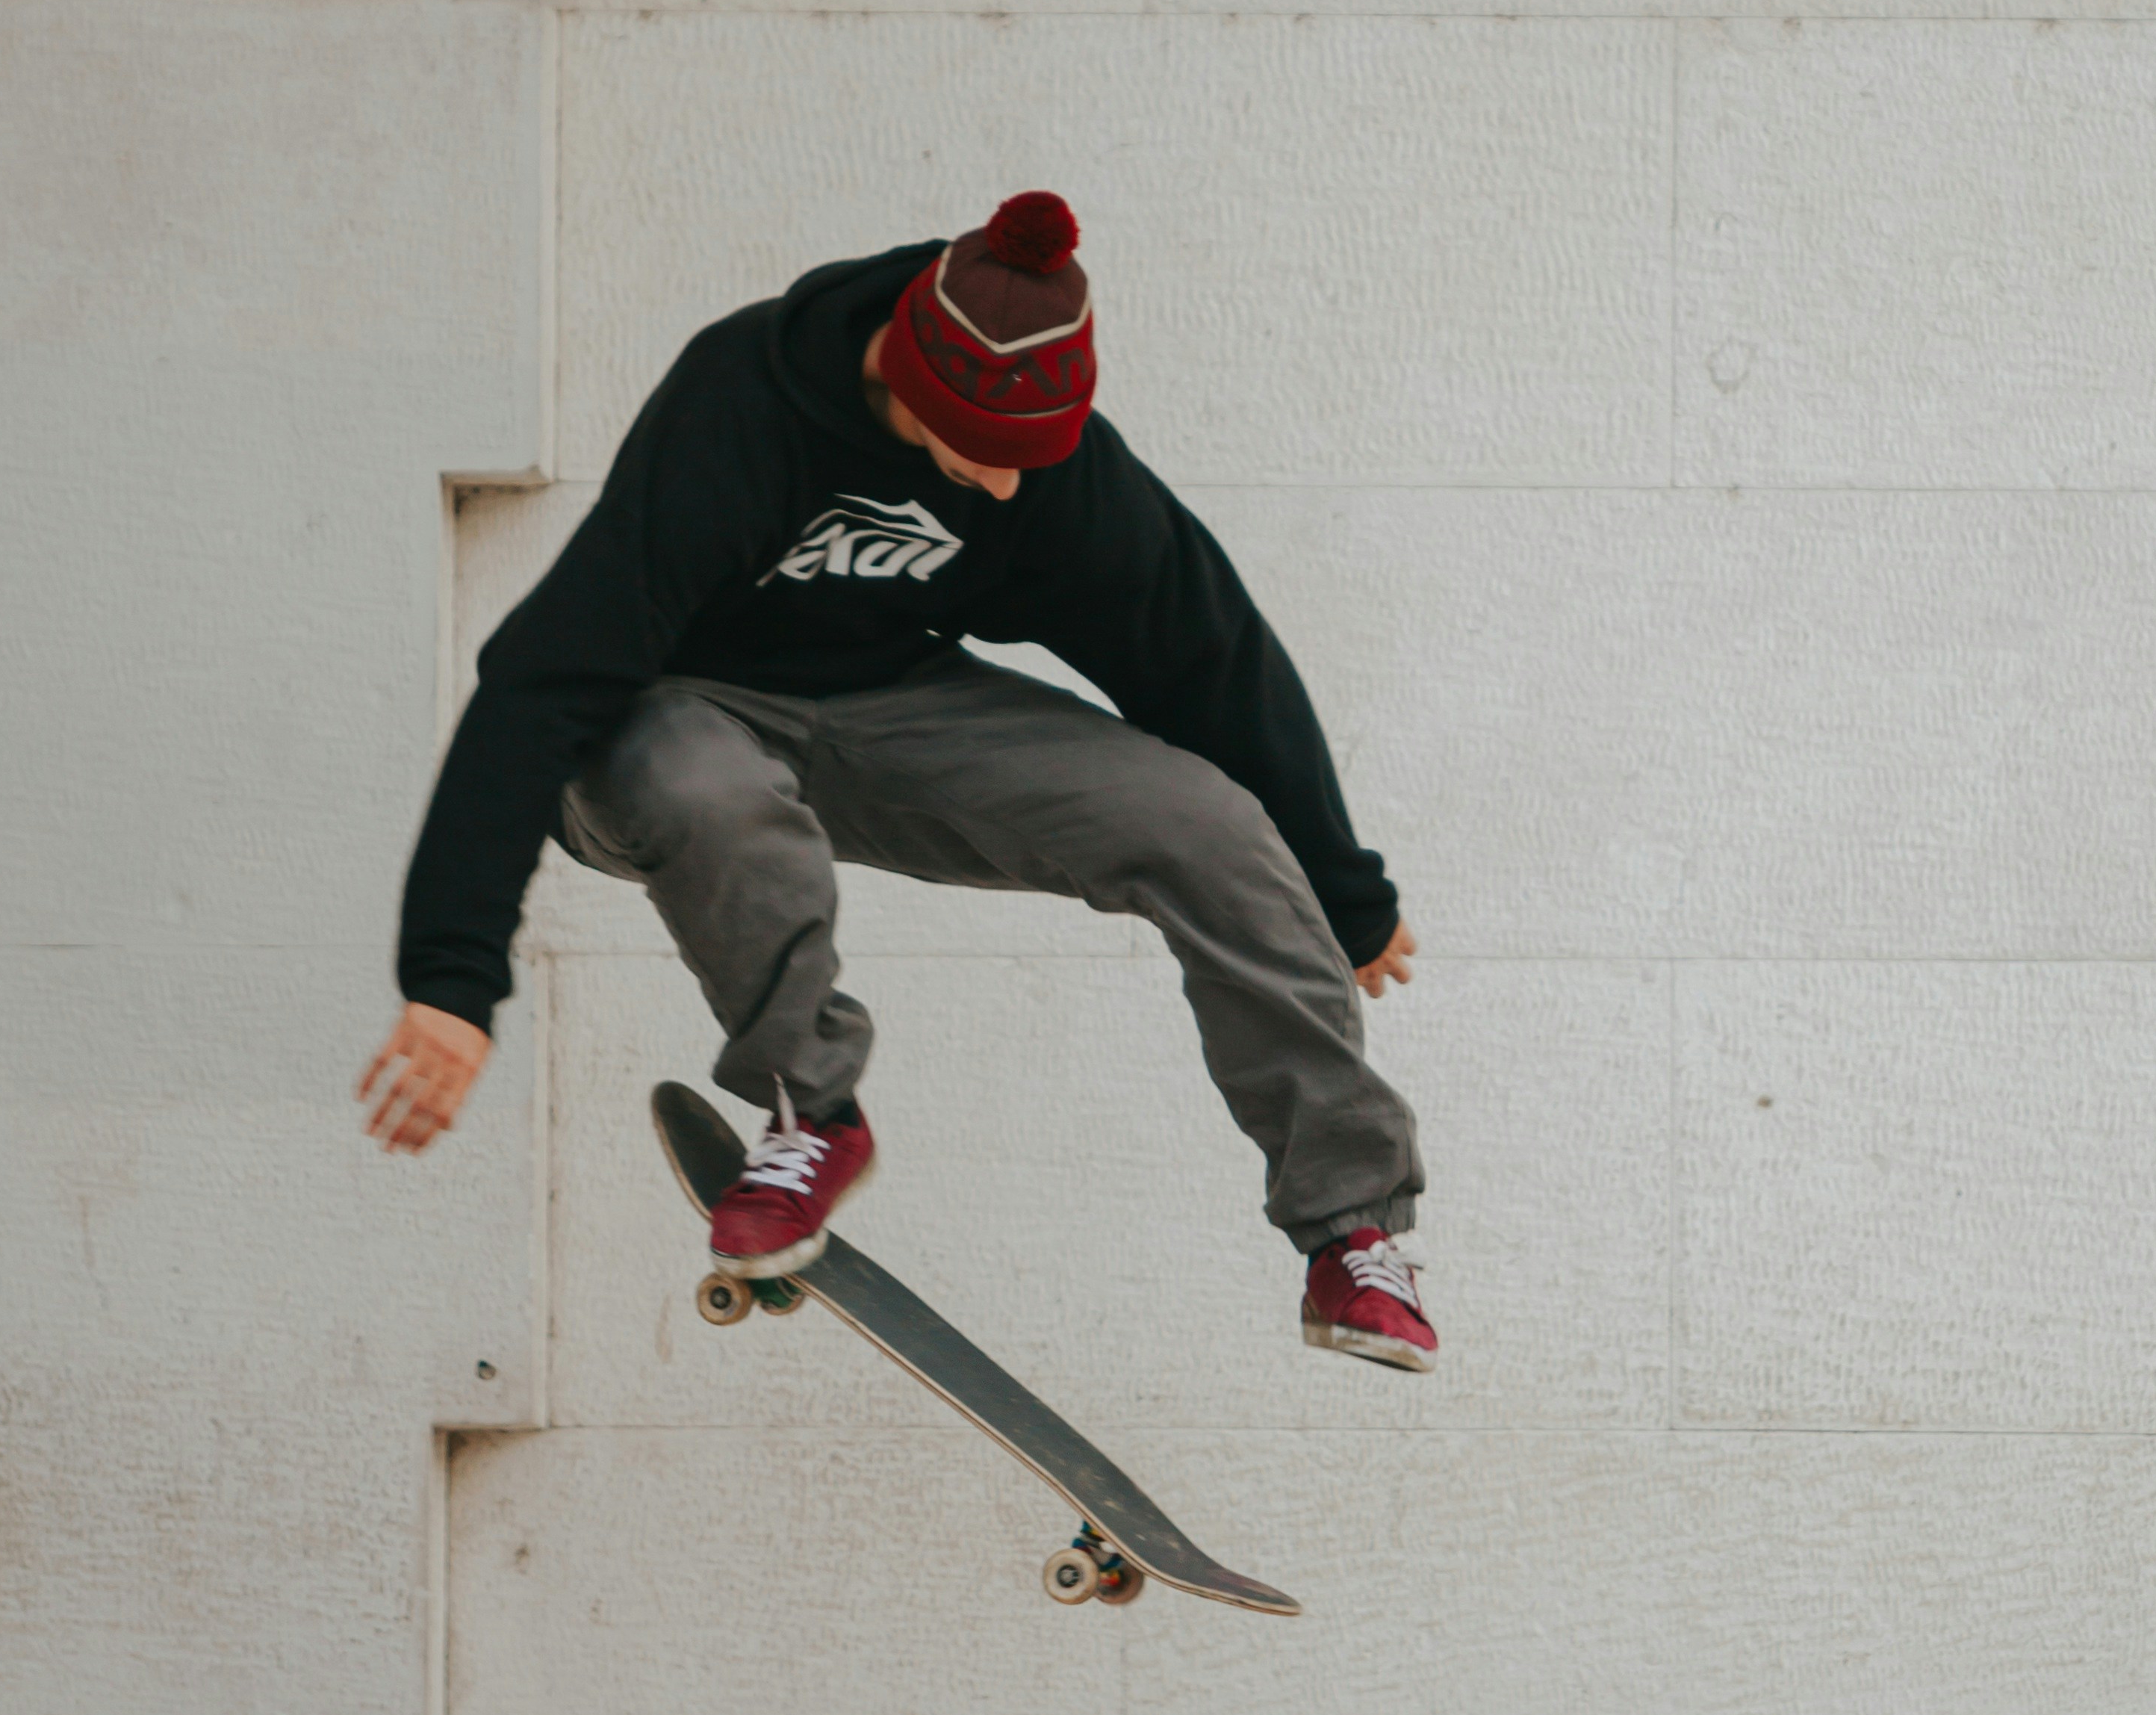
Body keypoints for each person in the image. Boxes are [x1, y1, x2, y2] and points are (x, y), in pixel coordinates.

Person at [358, 193, 1435, 1368]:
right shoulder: (741, 403)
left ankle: (1350, 1233)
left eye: (1038, 461)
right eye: (988, 458)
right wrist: (454, 979)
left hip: (896, 710)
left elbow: (1206, 653)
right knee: (701, 780)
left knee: (1208, 823)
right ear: (911, 388)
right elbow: (545, 677)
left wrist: (1343, 892)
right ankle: (808, 1114)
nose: (1013, 490)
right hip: (661, 729)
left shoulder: (1058, 472)